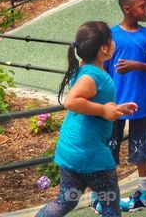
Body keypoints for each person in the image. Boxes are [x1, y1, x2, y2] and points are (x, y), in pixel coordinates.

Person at [35, 21, 138, 217]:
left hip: (70, 150)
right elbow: (71, 101)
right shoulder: (93, 76)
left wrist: (115, 109)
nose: (114, 42)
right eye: (111, 39)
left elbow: (91, 101)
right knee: (110, 208)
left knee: (66, 201)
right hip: (91, 155)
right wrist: (103, 110)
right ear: (104, 48)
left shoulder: (84, 68)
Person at [103, 0, 146, 212]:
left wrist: (136, 65)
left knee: (140, 148)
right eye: (143, 6)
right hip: (113, 106)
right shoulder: (110, 36)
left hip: (141, 104)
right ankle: (107, 195)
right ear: (127, 9)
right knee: (109, 149)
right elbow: (102, 69)